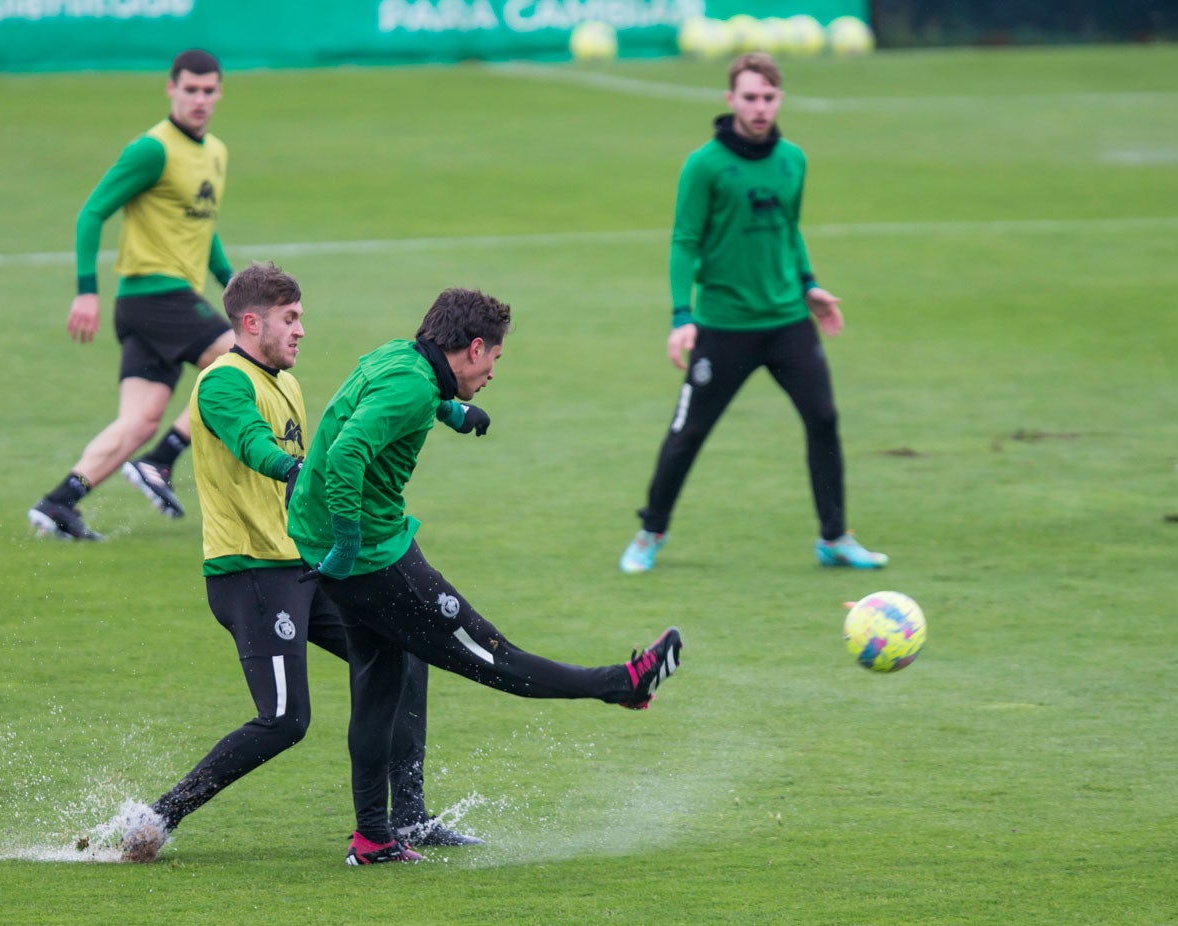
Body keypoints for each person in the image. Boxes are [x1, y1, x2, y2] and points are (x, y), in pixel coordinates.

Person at [287, 287, 684, 866]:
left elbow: (392, 397)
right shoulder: (411, 385)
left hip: (325, 548)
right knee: (496, 656)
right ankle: (624, 684)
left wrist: (454, 412)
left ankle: (374, 837)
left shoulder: (398, 357)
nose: (493, 371)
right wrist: (349, 543)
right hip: (368, 555)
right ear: (473, 348)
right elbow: (348, 453)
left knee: (378, 684)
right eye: (494, 358)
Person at [119, 262, 478, 863]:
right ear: (251, 321)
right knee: (285, 720)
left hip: (302, 571)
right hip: (251, 573)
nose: (301, 331)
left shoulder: (286, 381)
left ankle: (409, 819)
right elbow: (253, 445)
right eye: (290, 319)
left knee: (407, 656)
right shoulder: (222, 382)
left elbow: (387, 398)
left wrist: (454, 412)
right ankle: (157, 816)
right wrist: (300, 470)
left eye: (301, 318)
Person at [619, 51, 888, 575]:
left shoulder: (794, 159)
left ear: (779, 99)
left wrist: (809, 285)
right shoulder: (704, 165)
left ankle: (834, 536)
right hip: (724, 326)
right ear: (730, 100)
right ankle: (651, 530)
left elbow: (790, 230)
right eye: (749, 98)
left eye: (767, 98)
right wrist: (682, 316)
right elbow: (685, 241)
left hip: (787, 321)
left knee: (824, 419)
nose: (759, 108)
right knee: (689, 432)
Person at [28, 48, 237, 541]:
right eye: (190, 89)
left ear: (219, 93)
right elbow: (92, 213)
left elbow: (201, 231)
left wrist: (236, 289)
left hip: (163, 305)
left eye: (208, 91)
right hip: (154, 297)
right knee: (242, 360)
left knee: (138, 422)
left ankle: (61, 501)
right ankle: (162, 462)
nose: (200, 99)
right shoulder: (152, 150)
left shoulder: (216, 153)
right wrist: (85, 292)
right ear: (171, 89)